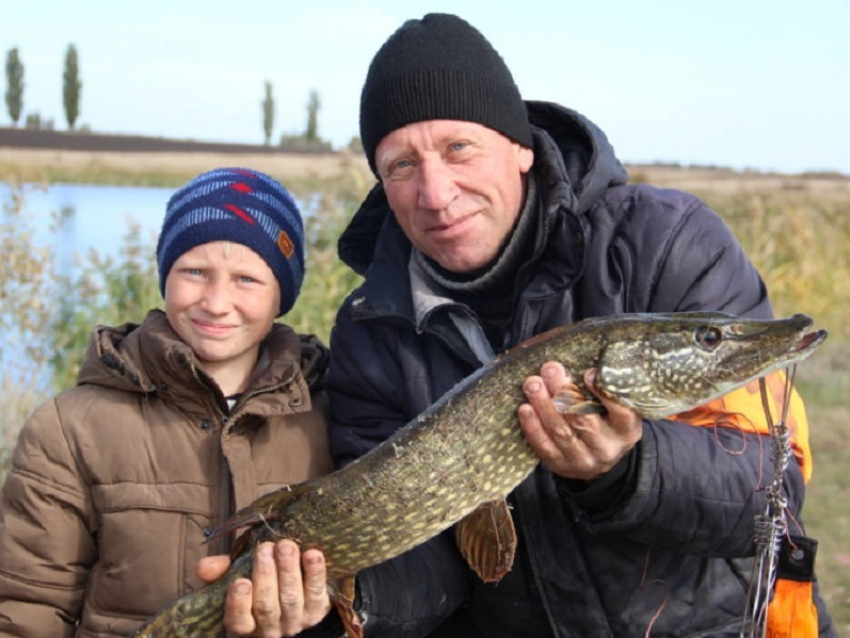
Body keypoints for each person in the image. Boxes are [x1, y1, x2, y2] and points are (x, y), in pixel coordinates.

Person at [204, 13, 836, 637]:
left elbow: (768, 493)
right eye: (400, 165)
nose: (436, 191)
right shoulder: (374, 332)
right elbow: (429, 565)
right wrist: (340, 597)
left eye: (459, 148)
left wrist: (627, 468)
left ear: (521, 148)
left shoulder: (666, 244)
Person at [0, 167, 335, 637]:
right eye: (194, 272)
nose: (217, 303)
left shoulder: (335, 414)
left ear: (283, 293)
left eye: (246, 279)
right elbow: (27, 604)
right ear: (164, 275)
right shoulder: (68, 427)